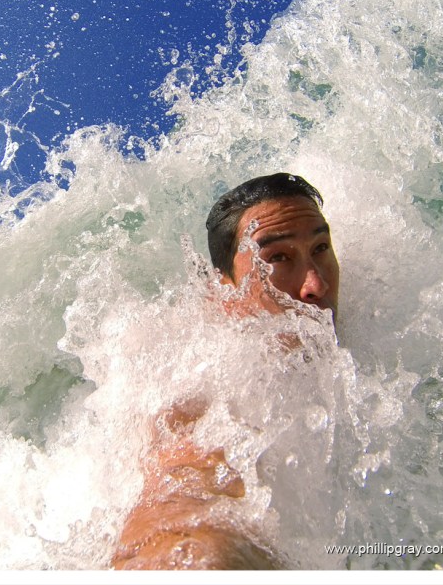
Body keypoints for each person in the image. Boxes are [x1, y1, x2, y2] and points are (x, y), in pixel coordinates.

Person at [111, 173, 340, 570]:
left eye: (320, 247)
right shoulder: (207, 392)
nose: (315, 285)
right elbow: (180, 508)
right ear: (224, 290)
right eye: (278, 258)